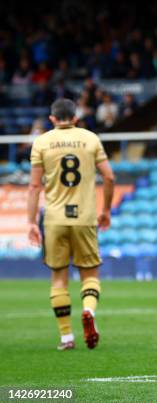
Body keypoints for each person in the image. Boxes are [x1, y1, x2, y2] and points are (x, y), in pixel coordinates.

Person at [27, 98, 115, 351]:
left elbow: (34, 187)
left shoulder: (42, 142)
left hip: (54, 219)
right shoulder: (90, 139)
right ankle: (88, 311)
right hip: (85, 217)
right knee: (89, 275)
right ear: (75, 118)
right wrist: (106, 210)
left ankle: (66, 337)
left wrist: (31, 223)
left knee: (58, 279)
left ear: (53, 119)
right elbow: (109, 177)